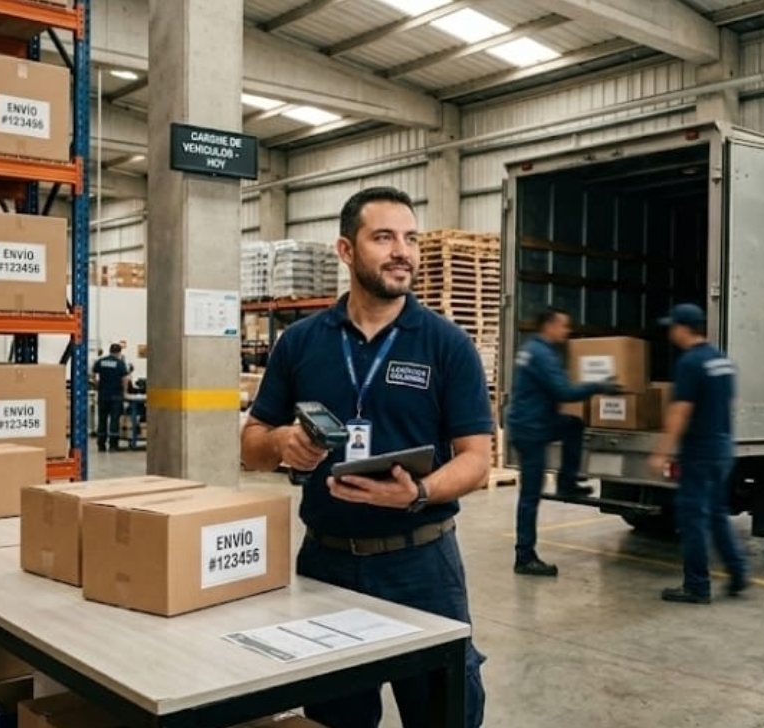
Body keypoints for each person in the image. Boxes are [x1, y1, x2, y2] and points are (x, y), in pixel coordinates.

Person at [241, 186, 491, 728]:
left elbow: (477, 458)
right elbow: (251, 442)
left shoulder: (447, 345)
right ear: (346, 251)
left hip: (421, 564)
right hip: (326, 566)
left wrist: (419, 492)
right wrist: (282, 443)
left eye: (410, 239)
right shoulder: (301, 343)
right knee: (335, 717)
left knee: (444, 710)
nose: (402, 251)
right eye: (384, 237)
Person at [506, 307, 621, 577]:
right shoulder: (542, 354)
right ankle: (525, 556)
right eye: (563, 326)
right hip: (532, 429)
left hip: (530, 423)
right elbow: (564, 392)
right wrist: (599, 386)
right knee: (530, 495)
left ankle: (567, 481)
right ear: (548, 326)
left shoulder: (531, 349)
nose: (566, 331)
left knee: (572, 426)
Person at [649, 303, 749, 604]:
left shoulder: (690, 363)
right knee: (717, 514)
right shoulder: (722, 361)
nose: (670, 332)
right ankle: (738, 573)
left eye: (672, 327)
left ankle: (696, 585)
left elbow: (681, 410)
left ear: (683, 328)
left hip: (699, 451)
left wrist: (661, 452)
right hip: (722, 449)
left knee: (692, 518)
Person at [91, 343, 129, 453]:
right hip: (116, 395)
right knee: (114, 420)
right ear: (119, 352)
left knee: (102, 419)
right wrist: (125, 392)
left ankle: (101, 445)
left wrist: (97, 384)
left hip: (103, 395)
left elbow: (93, 374)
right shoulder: (120, 363)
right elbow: (125, 379)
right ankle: (113, 446)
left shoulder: (101, 361)